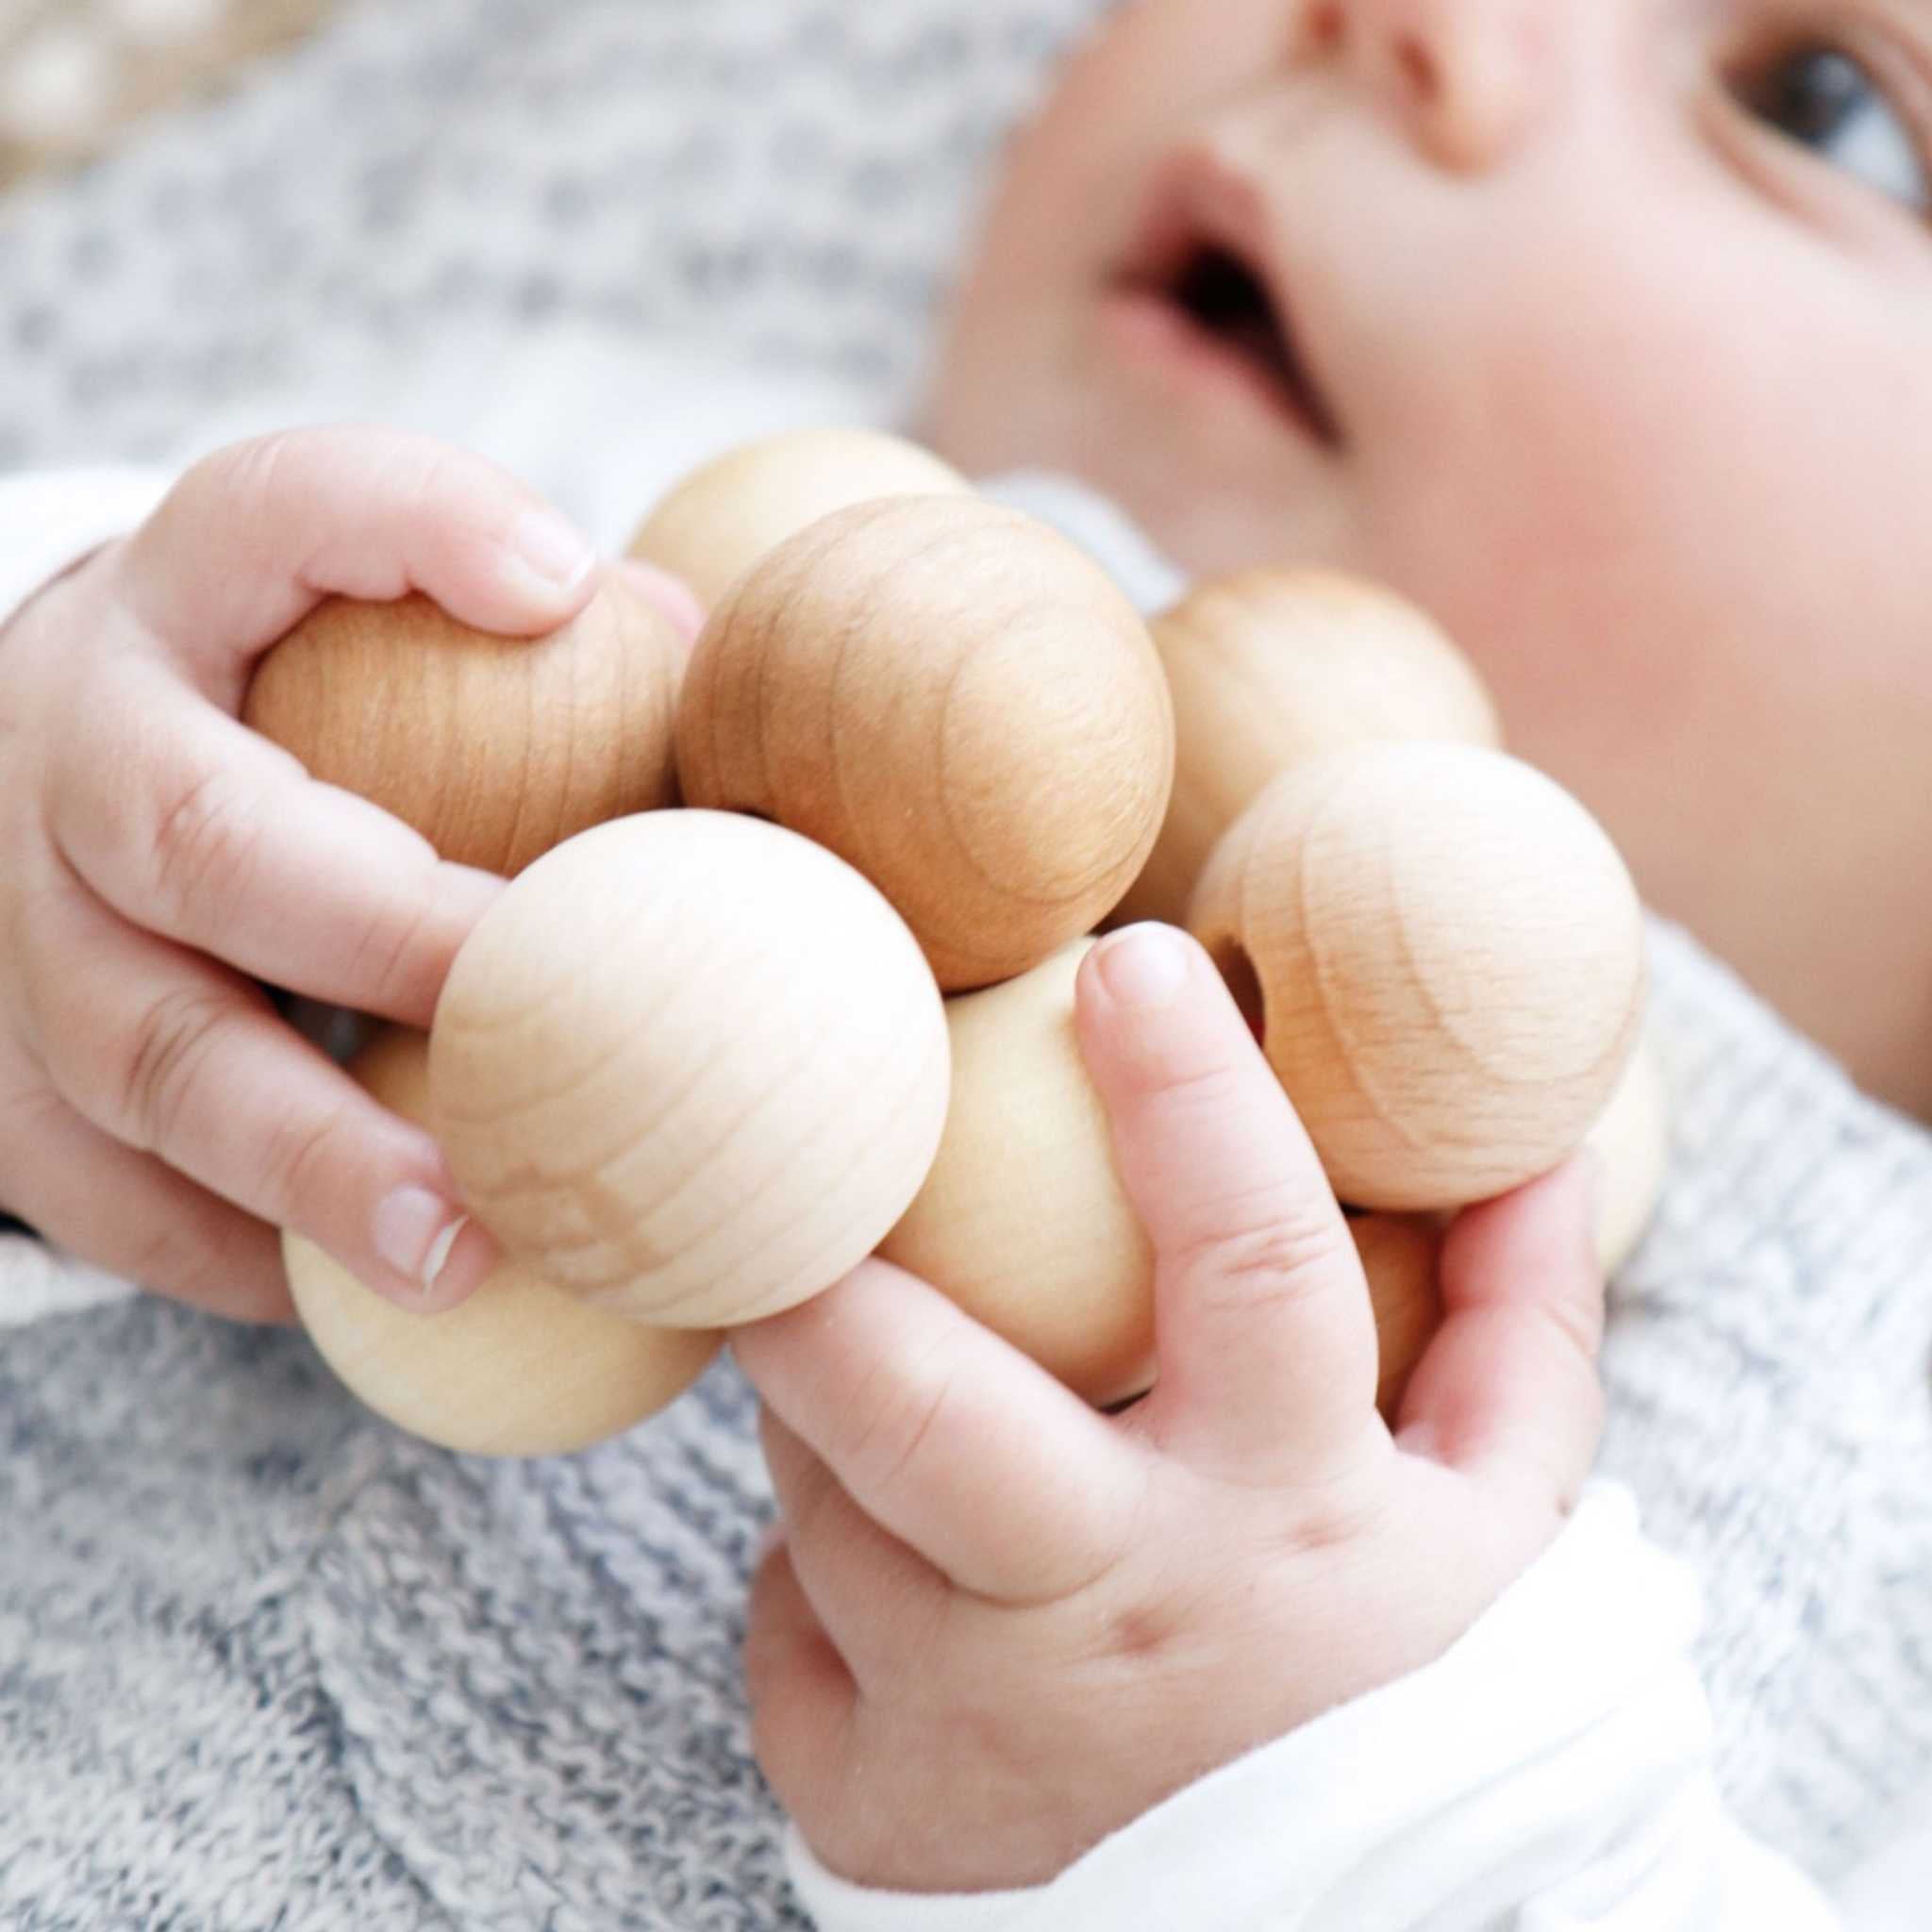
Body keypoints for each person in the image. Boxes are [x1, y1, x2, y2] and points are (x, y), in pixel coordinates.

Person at [1, 0, 1927, 1924]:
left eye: (1823, 105)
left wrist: (1358, 1827)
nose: (1429, 25)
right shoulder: (531, 526)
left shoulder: (1859, 1447)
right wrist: (74, 793)